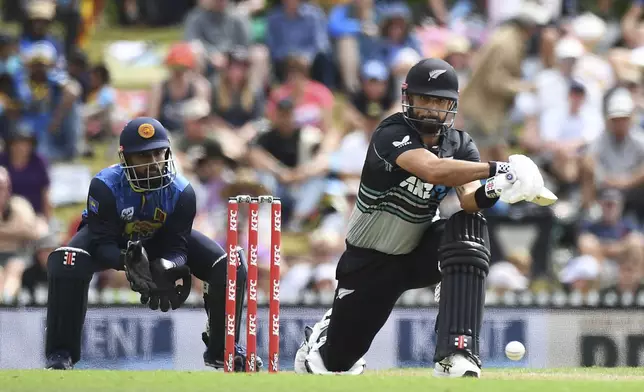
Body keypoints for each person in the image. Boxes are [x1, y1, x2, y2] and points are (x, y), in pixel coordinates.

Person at [294, 58, 548, 378]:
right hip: (368, 261)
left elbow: (470, 200)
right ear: (408, 99)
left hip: (417, 251)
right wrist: (500, 169)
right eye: (424, 99)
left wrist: (497, 188)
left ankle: (457, 352)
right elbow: (432, 169)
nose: (430, 108)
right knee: (336, 364)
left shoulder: (459, 144)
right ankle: (325, 336)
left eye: (439, 101)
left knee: (469, 228)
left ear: (451, 106)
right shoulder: (390, 132)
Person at [44, 117, 261, 372]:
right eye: (143, 156)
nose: (154, 163)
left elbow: (178, 248)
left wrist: (165, 266)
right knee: (67, 260)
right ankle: (61, 354)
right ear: (125, 159)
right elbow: (102, 244)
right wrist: (129, 261)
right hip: (114, 242)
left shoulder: (182, 192)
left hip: (161, 240)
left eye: (159, 153)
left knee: (231, 265)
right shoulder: (104, 186)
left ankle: (222, 350)